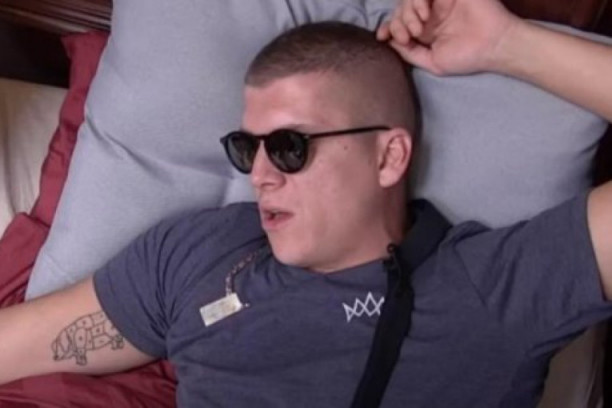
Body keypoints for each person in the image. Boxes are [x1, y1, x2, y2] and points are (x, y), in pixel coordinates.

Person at [0, 0, 611, 406]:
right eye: (248, 148)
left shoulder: (491, 284)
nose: (260, 175)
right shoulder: (198, 253)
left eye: (290, 148)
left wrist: (506, 44)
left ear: (389, 157)